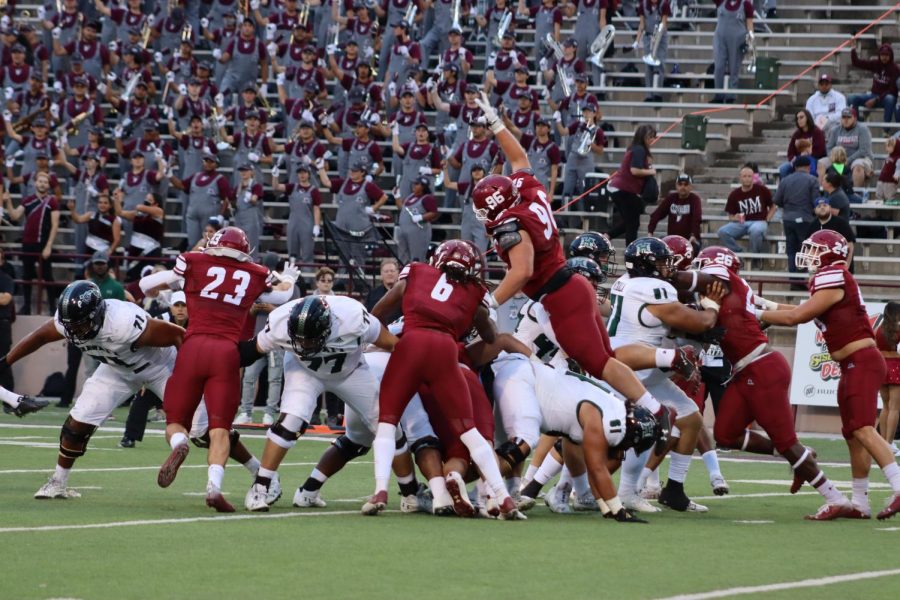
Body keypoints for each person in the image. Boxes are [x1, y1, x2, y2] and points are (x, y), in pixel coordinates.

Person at [471, 94, 672, 436]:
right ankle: (639, 409)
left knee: (598, 362)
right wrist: (497, 125)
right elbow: (518, 158)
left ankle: (654, 412)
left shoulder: (510, 226)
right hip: (570, 287)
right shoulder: (527, 192)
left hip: (560, 296)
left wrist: (489, 302)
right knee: (604, 360)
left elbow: (521, 271)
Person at [691, 246, 857, 520]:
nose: (699, 275)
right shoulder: (735, 292)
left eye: (703, 268)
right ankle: (796, 454)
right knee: (725, 433)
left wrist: (674, 277)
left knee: (787, 441)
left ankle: (835, 497)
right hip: (744, 372)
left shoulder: (723, 284)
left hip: (762, 369)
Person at [364, 240, 524, 519]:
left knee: (387, 422)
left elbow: (381, 308)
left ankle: (380, 491)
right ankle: (504, 498)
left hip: (410, 347)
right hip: (445, 352)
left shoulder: (416, 271)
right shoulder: (475, 291)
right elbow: (490, 335)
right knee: (469, 431)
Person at [143, 227, 294, 512]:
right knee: (220, 428)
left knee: (175, 420)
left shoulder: (193, 260)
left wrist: (176, 283)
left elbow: (145, 284)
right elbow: (282, 298)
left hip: (193, 346)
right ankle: (213, 487)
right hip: (226, 352)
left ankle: (179, 444)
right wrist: (287, 279)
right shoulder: (255, 271)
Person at [760, 230, 900, 520]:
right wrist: (765, 305)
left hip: (861, 360)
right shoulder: (831, 280)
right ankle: (860, 502)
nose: (809, 255)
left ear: (830, 252)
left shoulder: (834, 275)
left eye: (814, 249)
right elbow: (800, 310)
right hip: (851, 363)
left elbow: (795, 318)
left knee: (863, 428)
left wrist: (754, 313)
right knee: (852, 434)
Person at [0, 281, 183, 499]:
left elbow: (179, 336)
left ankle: (214, 474)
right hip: (117, 368)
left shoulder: (123, 323)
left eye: (80, 324)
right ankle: (58, 482)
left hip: (160, 367)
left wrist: (188, 375)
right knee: (76, 424)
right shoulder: (69, 320)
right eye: (71, 325)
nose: (74, 330)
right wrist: (5, 362)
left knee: (204, 431)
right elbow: (40, 336)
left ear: (97, 314)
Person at [241, 294, 400, 512]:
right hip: (305, 371)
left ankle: (410, 491)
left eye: (309, 339)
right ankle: (260, 487)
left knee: (389, 427)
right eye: (299, 338)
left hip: (350, 372)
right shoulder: (280, 322)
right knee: (290, 422)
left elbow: (393, 344)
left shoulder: (352, 317)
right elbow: (249, 352)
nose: (303, 343)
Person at [608, 238, 722, 513]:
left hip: (644, 366)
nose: (666, 267)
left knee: (691, 419)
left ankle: (674, 490)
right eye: (661, 261)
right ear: (647, 264)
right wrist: (713, 305)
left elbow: (665, 325)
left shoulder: (628, 281)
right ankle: (613, 491)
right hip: (630, 368)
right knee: (636, 431)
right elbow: (700, 322)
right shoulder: (654, 288)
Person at [2, 171, 60, 315]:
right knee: (27, 276)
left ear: (48, 185)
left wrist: (48, 246)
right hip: (28, 243)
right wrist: (8, 201)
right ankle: (27, 306)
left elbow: (55, 225)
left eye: (45, 182)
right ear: (35, 183)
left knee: (48, 276)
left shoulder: (52, 201)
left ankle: (53, 308)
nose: (42, 184)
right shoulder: (28, 200)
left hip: (44, 244)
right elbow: (15, 215)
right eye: (40, 181)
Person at [607, 125, 657, 245]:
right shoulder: (639, 149)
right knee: (633, 224)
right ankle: (630, 256)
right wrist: (651, 171)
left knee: (629, 222)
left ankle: (606, 236)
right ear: (644, 137)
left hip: (618, 189)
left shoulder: (633, 148)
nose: (652, 140)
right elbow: (634, 170)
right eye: (650, 137)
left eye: (653, 137)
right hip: (624, 190)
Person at [773, 156, 818, 282]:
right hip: (805, 219)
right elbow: (815, 201)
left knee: (791, 250)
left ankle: (793, 279)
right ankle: (802, 278)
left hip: (788, 219)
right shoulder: (812, 180)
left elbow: (777, 200)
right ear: (808, 167)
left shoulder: (785, 180)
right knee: (804, 250)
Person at [717, 164, 775, 255]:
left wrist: (767, 219)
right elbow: (730, 216)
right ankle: (740, 253)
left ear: (753, 178)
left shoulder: (762, 190)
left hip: (759, 221)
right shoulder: (734, 194)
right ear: (740, 178)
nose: (747, 178)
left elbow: (773, 207)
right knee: (722, 232)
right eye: (744, 176)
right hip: (742, 223)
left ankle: (754, 257)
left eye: (749, 176)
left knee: (755, 230)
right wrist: (734, 217)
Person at [819, 108, 874, 189]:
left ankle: (856, 193)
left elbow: (863, 150)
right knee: (821, 163)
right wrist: (834, 158)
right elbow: (829, 147)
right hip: (838, 158)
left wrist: (847, 160)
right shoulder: (835, 130)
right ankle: (821, 190)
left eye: (849, 117)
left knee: (858, 166)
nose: (846, 120)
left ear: (855, 118)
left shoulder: (862, 129)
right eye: (843, 117)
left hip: (860, 158)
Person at [711, 0, 753, 104]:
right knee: (719, 66)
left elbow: (750, 25)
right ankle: (718, 95)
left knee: (734, 67)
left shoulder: (746, 4)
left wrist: (750, 41)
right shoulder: (720, 1)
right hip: (720, 38)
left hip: (738, 39)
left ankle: (731, 95)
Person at [646, 173, 702, 249]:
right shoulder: (671, 198)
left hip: (690, 240)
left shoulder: (694, 199)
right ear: (676, 186)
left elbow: (697, 218)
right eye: (680, 184)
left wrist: (694, 235)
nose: (683, 187)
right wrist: (650, 232)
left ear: (690, 187)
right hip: (672, 240)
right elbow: (657, 214)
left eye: (686, 184)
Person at [848, 43, 900, 123]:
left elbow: (892, 90)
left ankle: (885, 131)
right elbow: (856, 63)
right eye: (882, 55)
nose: (884, 57)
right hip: (873, 95)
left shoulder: (895, 69)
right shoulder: (875, 64)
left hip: (885, 99)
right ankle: (856, 124)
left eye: (886, 55)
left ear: (890, 56)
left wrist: (876, 100)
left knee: (890, 98)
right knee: (851, 98)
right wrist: (853, 49)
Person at [875, 302, 900, 453]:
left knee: (885, 406)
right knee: (895, 408)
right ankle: (889, 443)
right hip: (896, 365)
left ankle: (884, 443)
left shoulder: (878, 330)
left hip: (881, 365)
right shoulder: (897, 329)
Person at [806, 197, 856, 272]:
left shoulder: (841, 223)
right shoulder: (812, 225)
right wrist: (811, 268)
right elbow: (808, 248)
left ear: (830, 207)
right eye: (819, 206)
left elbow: (850, 246)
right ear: (815, 210)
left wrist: (846, 267)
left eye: (825, 205)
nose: (822, 208)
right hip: (820, 268)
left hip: (839, 267)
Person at [778, 109, 827, 180]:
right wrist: (795, 160)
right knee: (783, 168)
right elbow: (790, 152)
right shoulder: (796, 134)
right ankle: (786, 188)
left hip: (813, 160)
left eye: (801, 117)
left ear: (808, 118)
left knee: (810, 169)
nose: (799, 120)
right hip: (798, 161)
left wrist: (807, 156)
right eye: (797, 118)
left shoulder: (817, 132)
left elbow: (820, 151)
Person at [365, 258, 402, 324]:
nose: (389, 273)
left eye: (392, 271)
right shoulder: (373, 294)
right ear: (381, 274)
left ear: (398, 273)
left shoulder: (405, 292)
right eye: (386, 271)